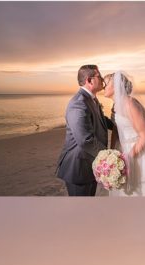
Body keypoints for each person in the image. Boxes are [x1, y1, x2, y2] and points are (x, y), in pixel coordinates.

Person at [56, 65, 114, 196]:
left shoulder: (91, 99)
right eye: (99, 76)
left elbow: (100, 119)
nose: (102, 79)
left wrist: (119, 124)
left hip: (89, 163)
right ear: (89, 80)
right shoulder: (79, 103)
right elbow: (85, 140)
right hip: (79, 167)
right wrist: (109, 156)